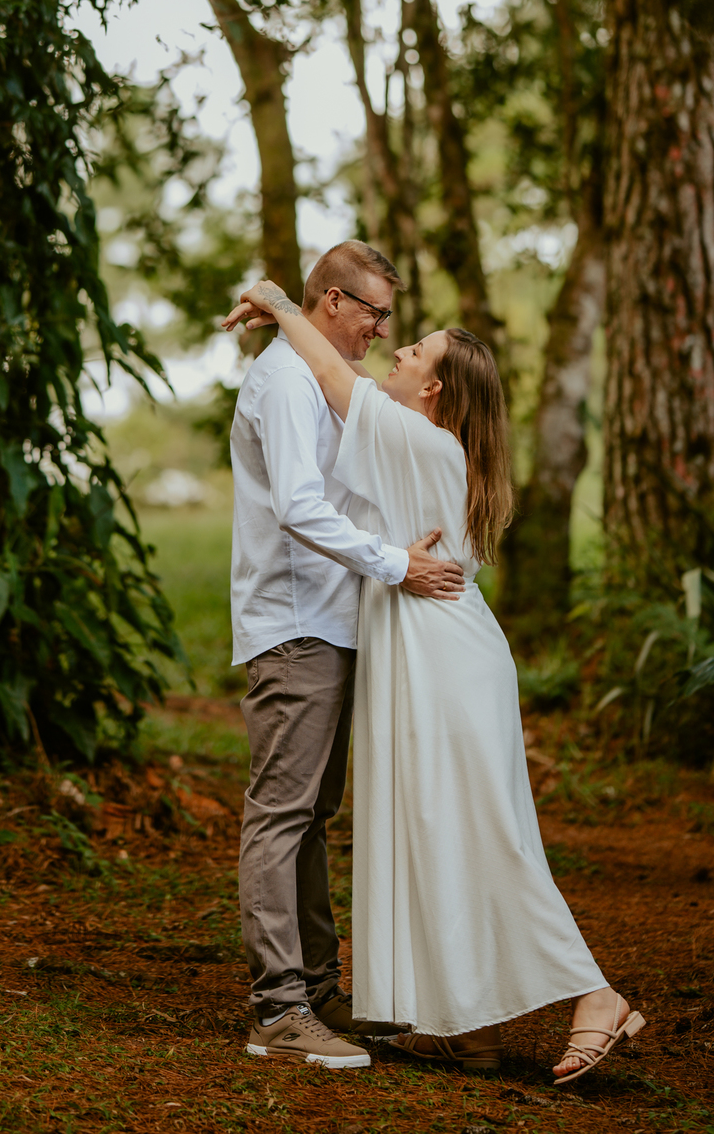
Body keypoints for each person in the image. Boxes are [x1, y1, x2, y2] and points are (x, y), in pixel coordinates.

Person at [223, 276, 645, 1087]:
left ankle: (595, 994)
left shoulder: (422, 442)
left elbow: (334, 375)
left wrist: (278, 304)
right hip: (431, 656)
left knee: (486, 837)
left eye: (413, 350)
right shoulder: (430, 445)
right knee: (442, 836)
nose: (395, 349)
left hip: (444, 665)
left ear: (434, 389)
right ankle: (468, 1031)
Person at [226, 241, 467, 1072]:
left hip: (333, 621)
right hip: (295, 624)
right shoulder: (286, 381)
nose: (381, 330)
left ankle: (319, 990)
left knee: (313, 816)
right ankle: (278, 1009)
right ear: (332, 301)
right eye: (374, 312)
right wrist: (397, 564)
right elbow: (299, 506)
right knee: (281, 814)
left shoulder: (322, 375)